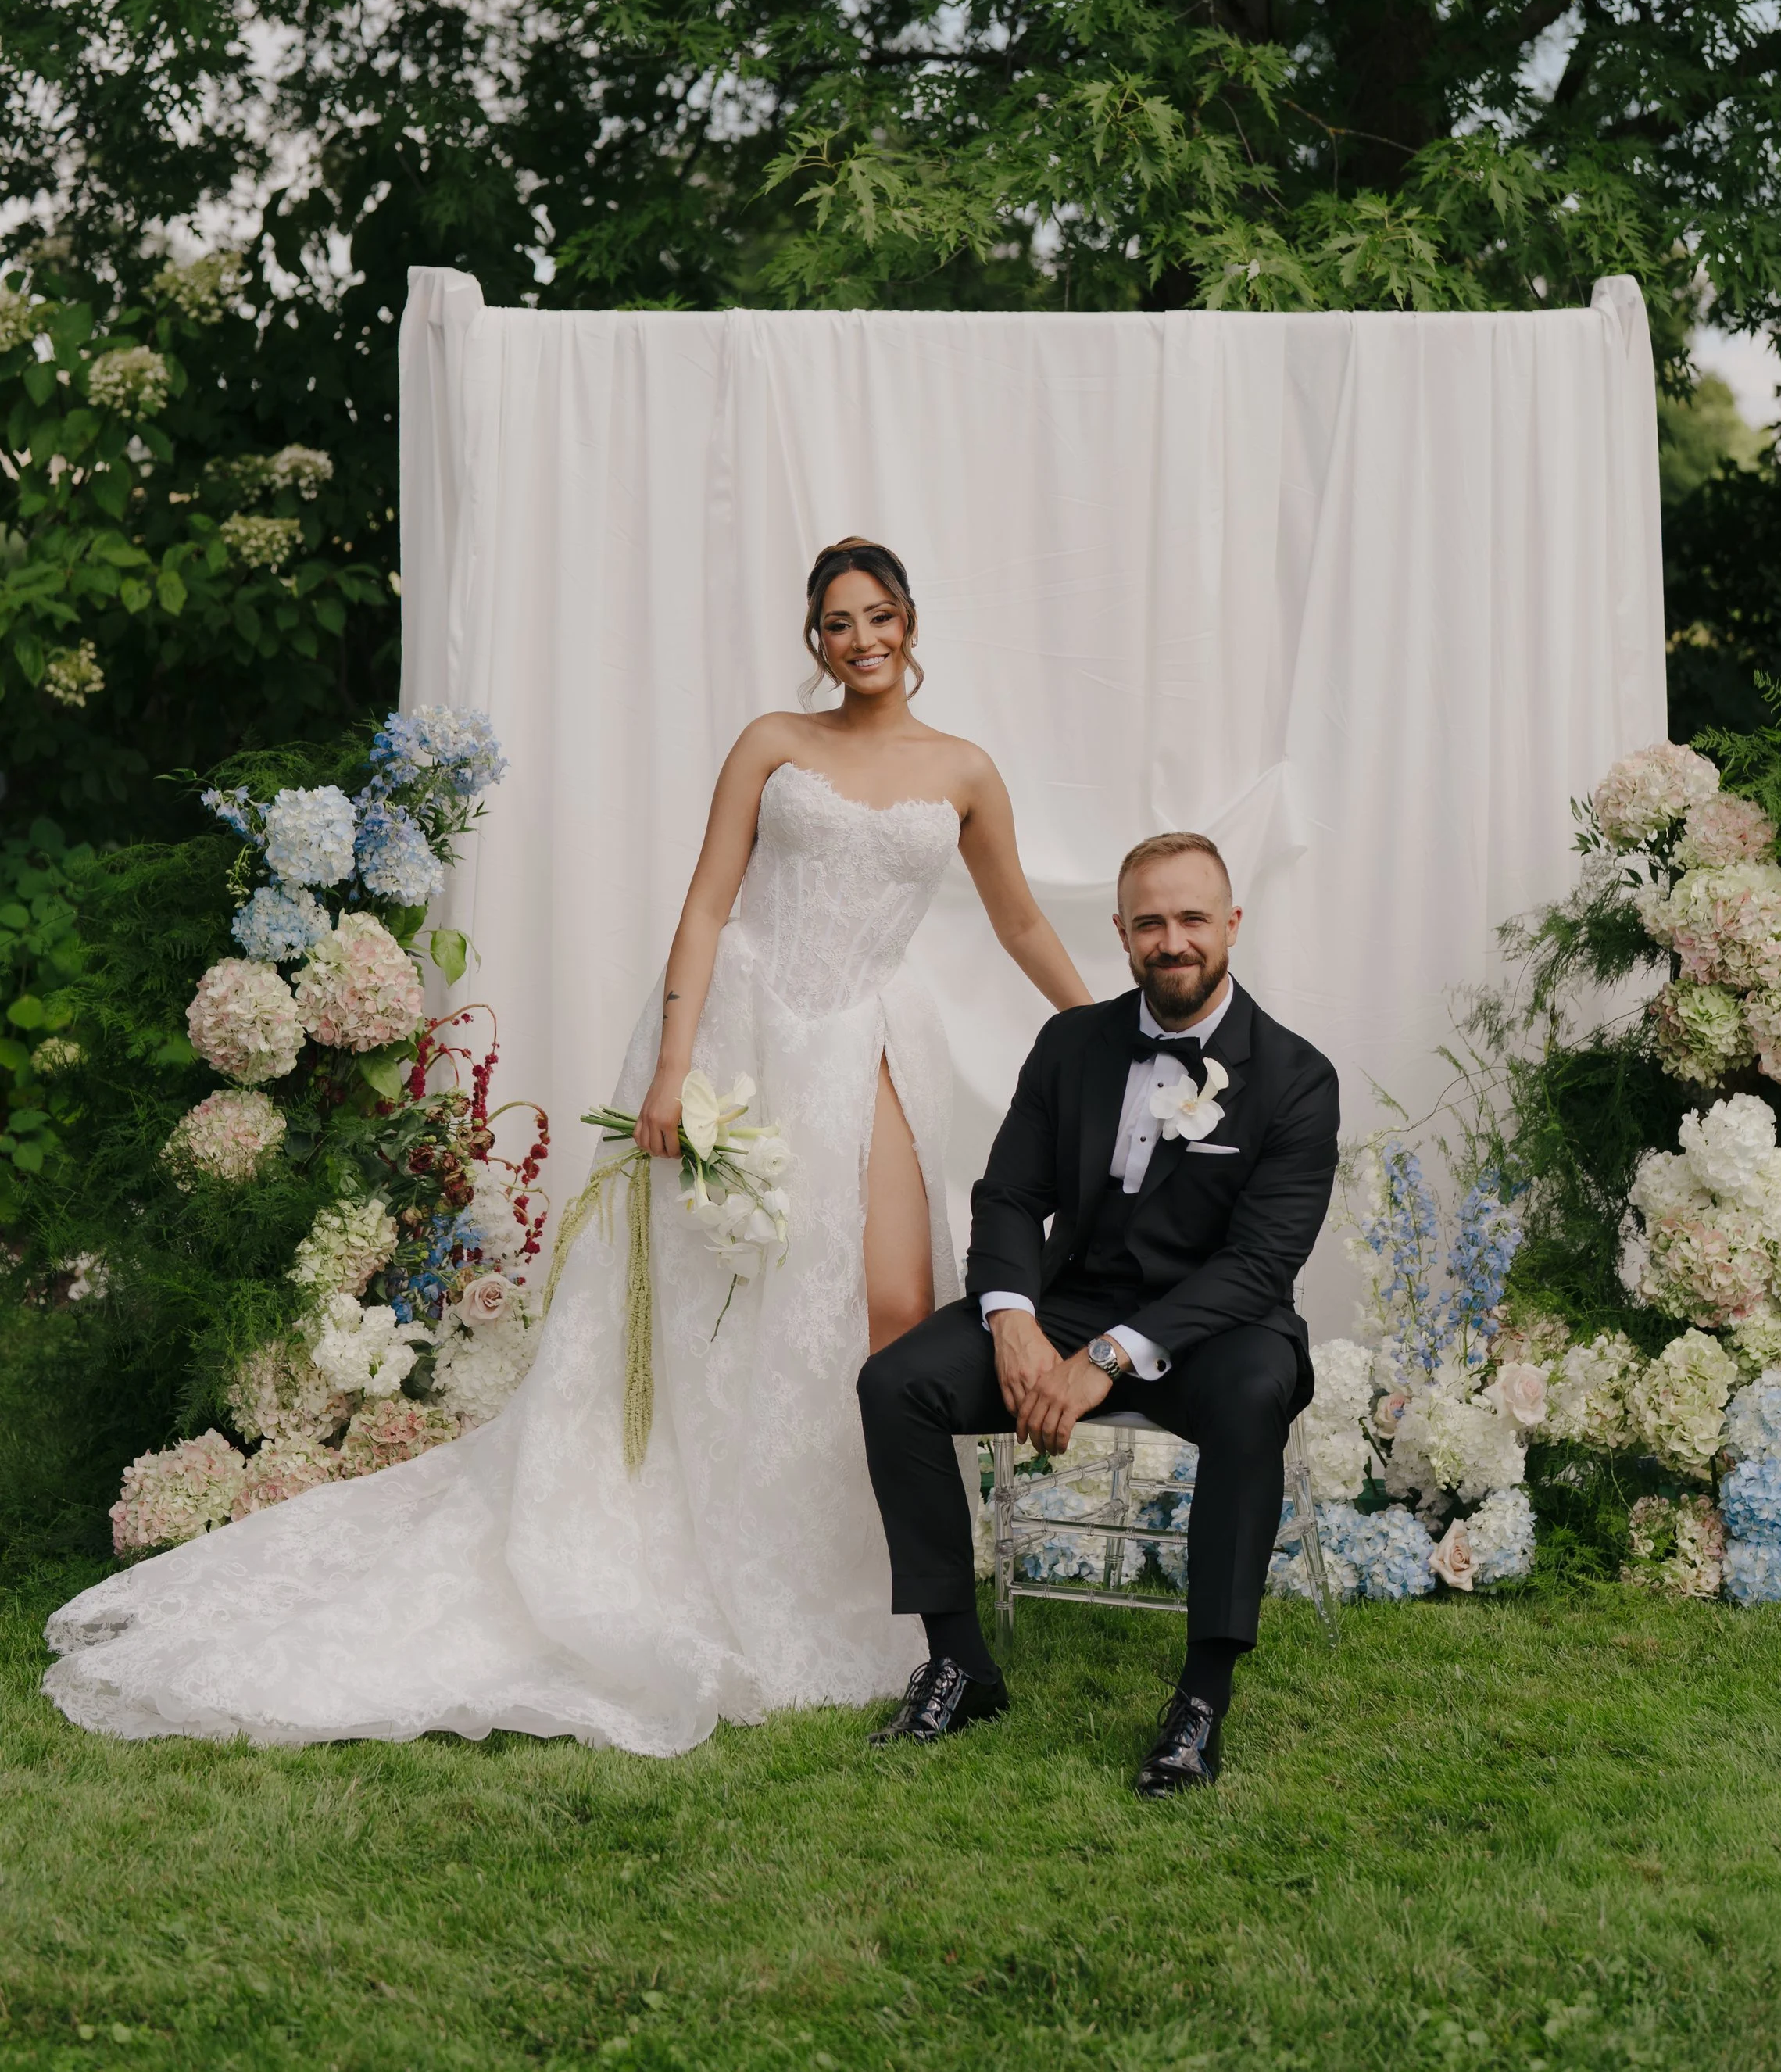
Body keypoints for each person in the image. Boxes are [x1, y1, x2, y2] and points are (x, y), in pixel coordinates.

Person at [44, 539, 1091, 1755]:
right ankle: (751, 1556)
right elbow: (705, 903)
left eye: (880, 615)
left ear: (912, 619)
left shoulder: (963, 769)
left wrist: (1104, 1029)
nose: (861, 639)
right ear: (817, 641)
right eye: (837, 623)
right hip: (749, 1035)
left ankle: (897, 1589)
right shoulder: (772, 742)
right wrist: (670, 1066)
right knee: (740, 1302)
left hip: (868, 1036)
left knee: (898, 1304)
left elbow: (1016, 915)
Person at [857, 831, 1339, 1798]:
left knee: (1254, 1395)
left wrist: (1105, 1359)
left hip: (1215, 1327)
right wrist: (1012, 1319)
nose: (1173, 941)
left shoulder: (1294, 1077)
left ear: (1231, 926)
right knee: (896, 1381)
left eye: (1192, 918)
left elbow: (1257, 1265)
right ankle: (959, 1661)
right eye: (1150, 922)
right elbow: (1005, 1196)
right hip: (1066, 1299)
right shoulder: (1072, 1043)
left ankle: (1201, 1698)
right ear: (1121, 934)